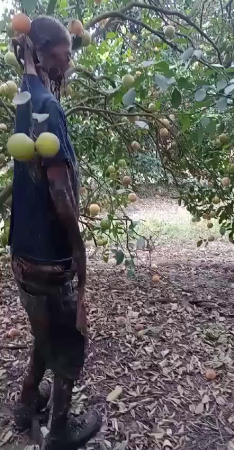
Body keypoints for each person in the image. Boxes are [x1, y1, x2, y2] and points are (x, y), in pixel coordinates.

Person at [9, 16, 101, 450]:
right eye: (65, 53)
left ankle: (27, 404)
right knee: (69, 341)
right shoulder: (49, 105)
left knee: (45, 331)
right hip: (51, 258)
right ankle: (60, 432)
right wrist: (79, 255)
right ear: (45, 54)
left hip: (23, 253)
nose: (70, 59)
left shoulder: (25, 98)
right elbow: (62, 194)